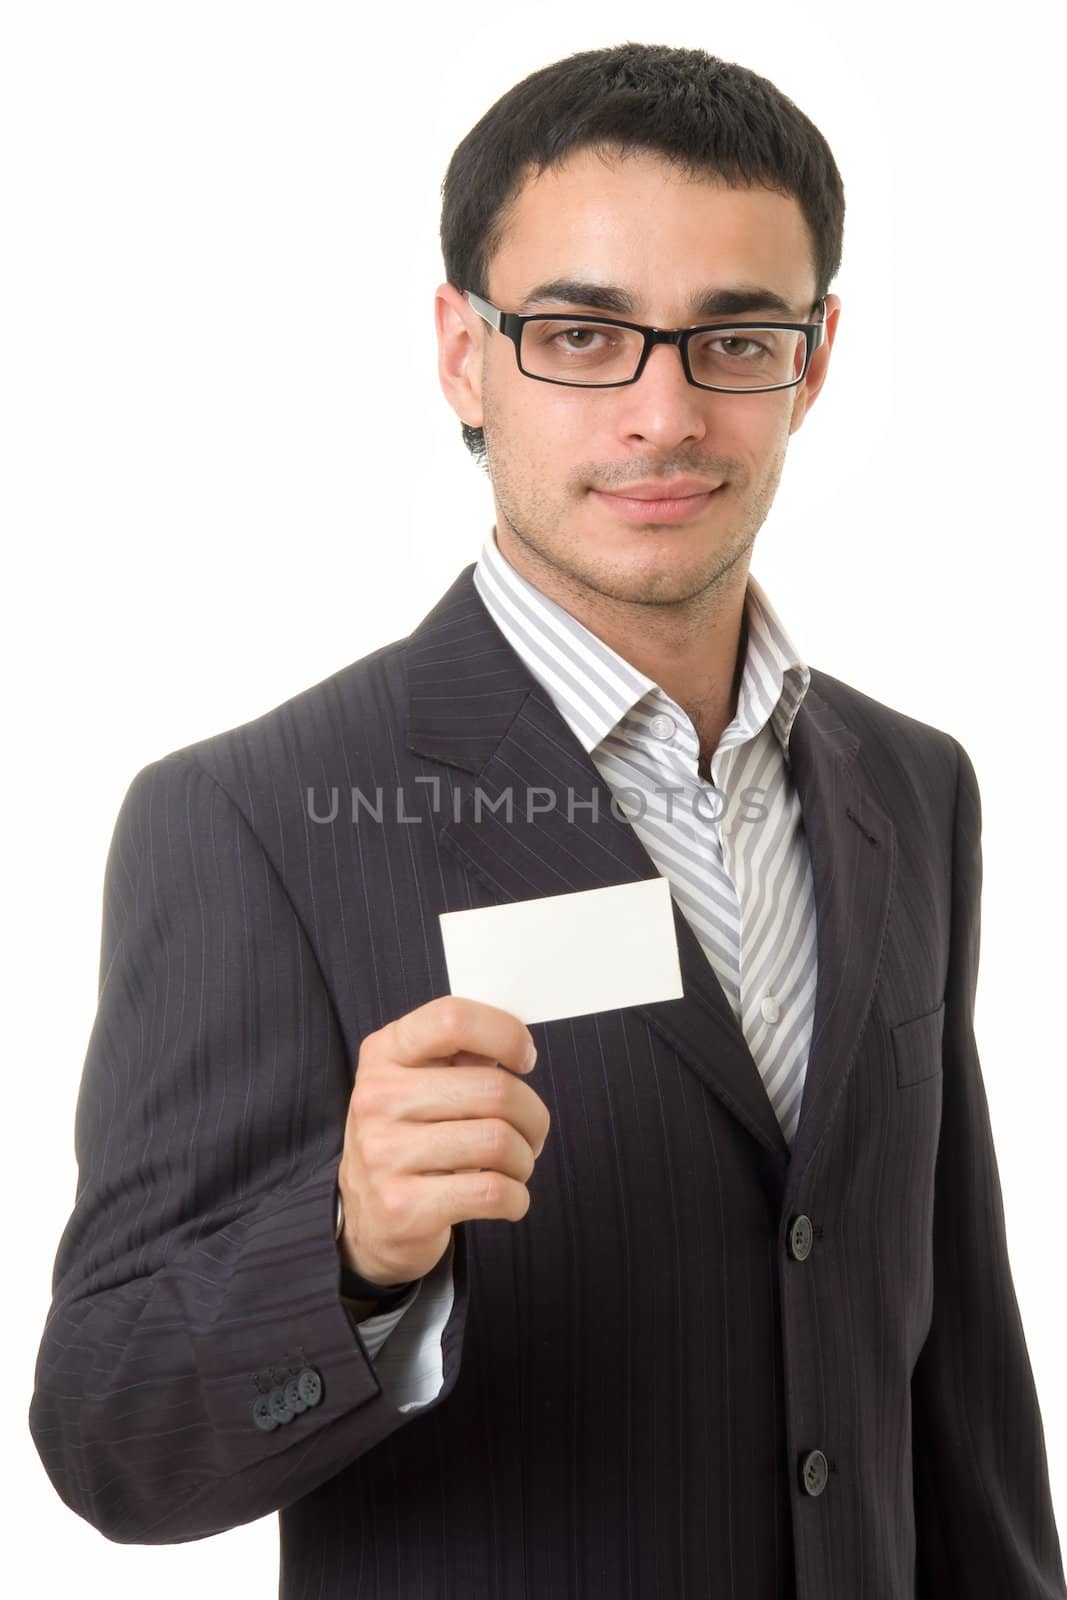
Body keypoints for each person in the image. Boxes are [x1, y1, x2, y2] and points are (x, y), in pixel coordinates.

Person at [28, 40, 1066, 1599]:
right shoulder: (251, 816)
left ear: (818, 358)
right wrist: (349, 1248)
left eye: (734, 340)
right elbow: (110, 1439)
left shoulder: (911, 787)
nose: (663, 417)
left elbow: (958, 1380)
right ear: (464, 354)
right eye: (583, 335)